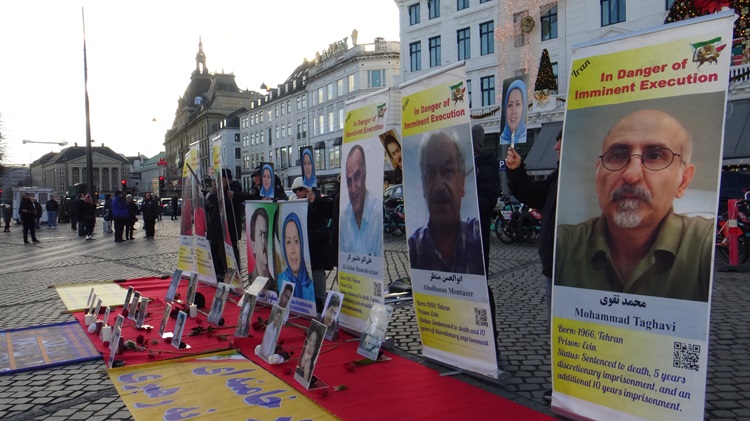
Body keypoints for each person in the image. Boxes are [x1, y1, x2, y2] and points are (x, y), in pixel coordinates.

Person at [555, 109, 712, 302]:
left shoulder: (705, 245)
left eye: (655, 156)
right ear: (597, 177)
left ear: (683, 181)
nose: (631, 175)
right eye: (617, 155)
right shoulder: (562, 245)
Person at [408, 130, 483, 275]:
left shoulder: (477, 236)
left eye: (447, 171)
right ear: (423, 185)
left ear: (462, 182)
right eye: (430, 173)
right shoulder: (414, 247)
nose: (438, 186)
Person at [506, 129, 562, 321]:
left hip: (574, 272)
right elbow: (533, 195)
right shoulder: (557, 176)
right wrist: (516, 171)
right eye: (556, 141)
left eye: (561, 141)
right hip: (552, 267)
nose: (555, 147)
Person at [472, 125, 501, 338]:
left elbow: (488, 201)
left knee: (480, 286)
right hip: (461, 236)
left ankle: (488, 334)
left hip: (477, 237)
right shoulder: (461, 164)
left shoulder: (485, 168)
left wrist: (466, 203)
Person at [292, 176, 332, 312]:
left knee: (318, 287)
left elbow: (323, 226)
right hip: (303, 255)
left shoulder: (317, 204)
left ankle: (320, 309)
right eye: (295, 191)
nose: (297, 193)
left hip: (316, 253)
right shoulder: (296, 206)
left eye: (300, 189)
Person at [340, 145, 383, 256]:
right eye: (349, 181)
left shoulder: (378, 215)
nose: (353, 189)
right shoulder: (344, 220)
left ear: (365, 174)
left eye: (357, 176)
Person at [276, 213, 315, 302]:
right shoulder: (279, 281)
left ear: (302, 244)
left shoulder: (311, 287)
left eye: (296, 241)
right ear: (284, 247)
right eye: (288, 242)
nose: (293, 250)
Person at [249, 207, 276, 291]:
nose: (264, 242)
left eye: (266, 235)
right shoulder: (251, 280)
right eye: (260, 235)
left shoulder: (277, 280)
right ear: (253, 245)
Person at [501, 79, 528, 145]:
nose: (513, 111)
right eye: (510, 105)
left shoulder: (525, 138)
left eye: (517, 104)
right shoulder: (502, 139)